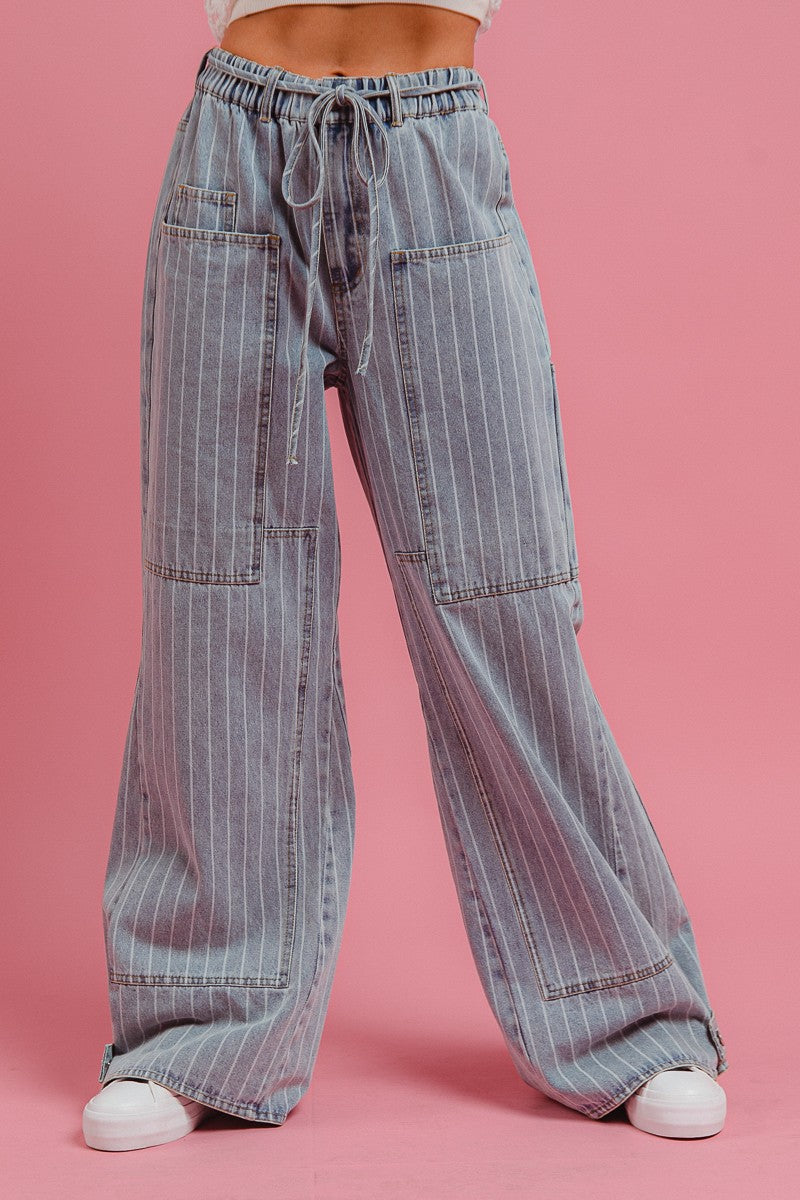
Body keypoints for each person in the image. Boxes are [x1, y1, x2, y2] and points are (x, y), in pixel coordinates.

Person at [82, 2, 729, 1152]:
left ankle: (622, 1012)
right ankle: (198, 1026)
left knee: (502, 595)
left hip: (430, 150)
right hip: (236, 150)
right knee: (217, 600)